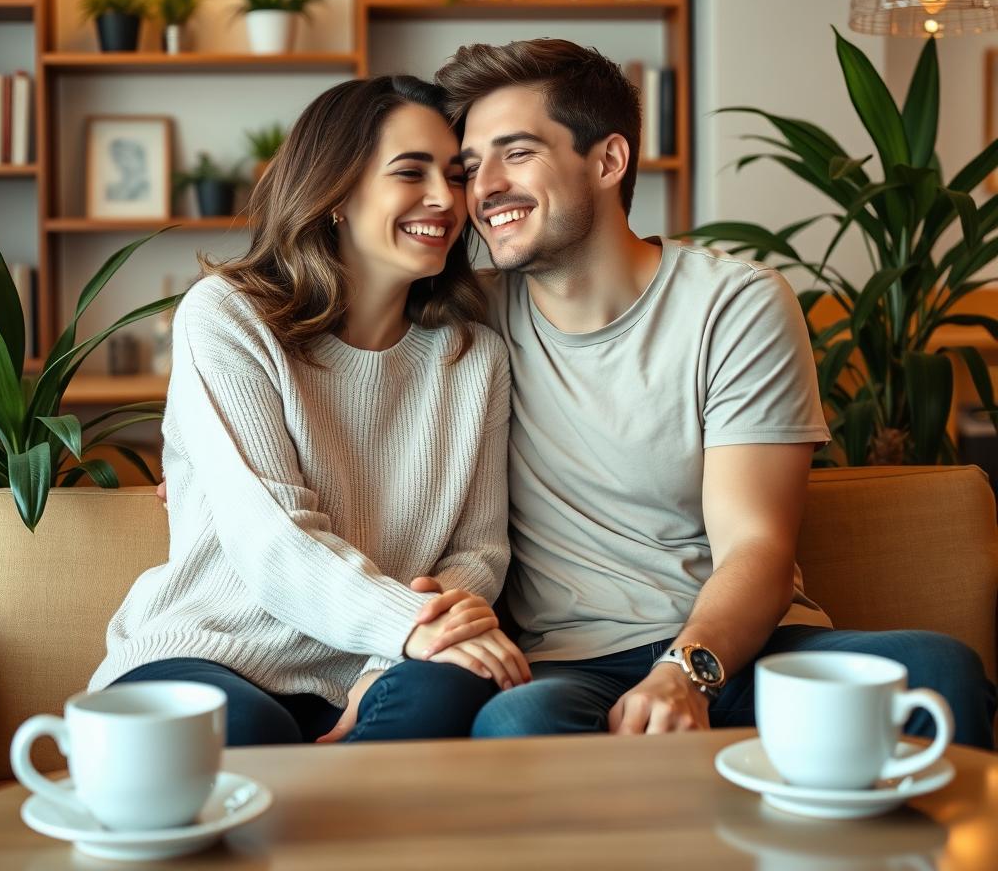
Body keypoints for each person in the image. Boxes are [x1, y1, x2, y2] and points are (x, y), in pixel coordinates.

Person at [415, 38, 996, 747]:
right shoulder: (467, 318)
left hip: (749, 646)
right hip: (574, 665)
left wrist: (686, 672)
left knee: (939, 667)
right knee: (517, 722)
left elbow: (756, 542)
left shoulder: (734, 304)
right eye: (471, 166)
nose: (484, 188)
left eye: (518, 153)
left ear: (608, 160)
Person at [90, 75, 530, 746]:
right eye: (410, 172)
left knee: (458, 691)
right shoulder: (230, 316)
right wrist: (408, 627)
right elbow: (273, 540)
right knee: (248, 731)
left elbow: (477, 550)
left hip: (381, 660)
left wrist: (388, 658)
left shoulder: (476, 358)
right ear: (336, 194)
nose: (446, 199)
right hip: (211, 650)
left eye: (455, 174)